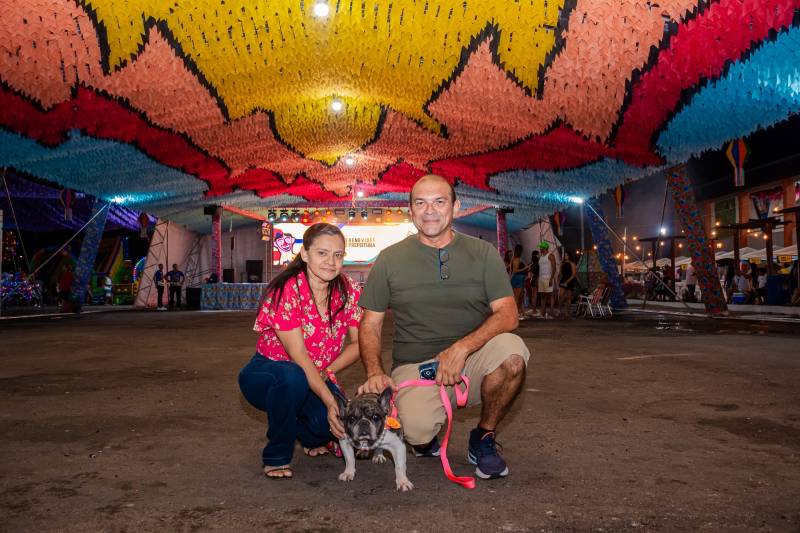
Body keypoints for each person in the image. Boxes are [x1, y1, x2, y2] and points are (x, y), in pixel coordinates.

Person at [357, 174, 529, 480]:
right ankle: (425, 437)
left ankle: (484, 437)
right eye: (420, 203)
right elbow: (370, 324)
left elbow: (508, 314)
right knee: (417, 431)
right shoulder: (389, 259)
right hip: (416, 365)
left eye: (439, 201)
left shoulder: (483, 253)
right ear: (411, 210)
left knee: (513, 357)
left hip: (472, 358)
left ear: (456, 207)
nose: (430, 211)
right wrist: (374, 372)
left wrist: (461, 349)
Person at [238, 223, 362, 479]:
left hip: (315, 374)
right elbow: (299, 356)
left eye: (338, 255)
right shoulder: (287, 289)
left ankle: (305, 435)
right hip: (270, 374)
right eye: (322, 253)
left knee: (329, 426)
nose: (331, 262)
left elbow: (359, 344)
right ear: (305, 254)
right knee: (293, 376)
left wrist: (327, 372)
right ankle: (276, 456)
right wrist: (329, 400)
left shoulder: (348, 289)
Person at [537, 242, 557, 319]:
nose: (540, 248)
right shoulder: (541, 256)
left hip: (548, 277)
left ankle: (551, 313)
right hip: (541, 278)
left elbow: (554, 268)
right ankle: (543, 313)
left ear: (544, 248)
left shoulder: (550, 255)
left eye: (541, 247)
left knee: (550, 295)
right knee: (542, 296)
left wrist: (551, 279)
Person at [509, 244, 527, 320]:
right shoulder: (517, 259)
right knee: (517, 297)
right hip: (518, 278)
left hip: (515, 278)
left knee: (517, 297)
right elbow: (515, 270)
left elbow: (511, 270)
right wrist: (525, 268)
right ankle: (516, 314)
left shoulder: (513, 258)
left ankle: (518, 313)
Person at [558, 250, 577, 318]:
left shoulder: (572, 263)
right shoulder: (562, 264)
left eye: (567, 255)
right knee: (561, 296)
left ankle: (567, 312)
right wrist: (558, 280)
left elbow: (573, 274)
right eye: (565, 255)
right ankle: (559, 310)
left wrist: (566, 282)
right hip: (563, 280)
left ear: (569, 256)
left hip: (570, 281)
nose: (565, 256)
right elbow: (560, 273)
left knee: (569, 297)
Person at [525, 250, 540, 317]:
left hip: (532, 280)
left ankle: (533, 309)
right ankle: (534, 310)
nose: (539, 255)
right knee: (534, 295)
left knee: (533, 295)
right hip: (535, 280)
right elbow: (532, 273)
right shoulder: (537, 263)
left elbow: (529, 274)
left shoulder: (532, 263)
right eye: (538, 254)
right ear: (536, 255)